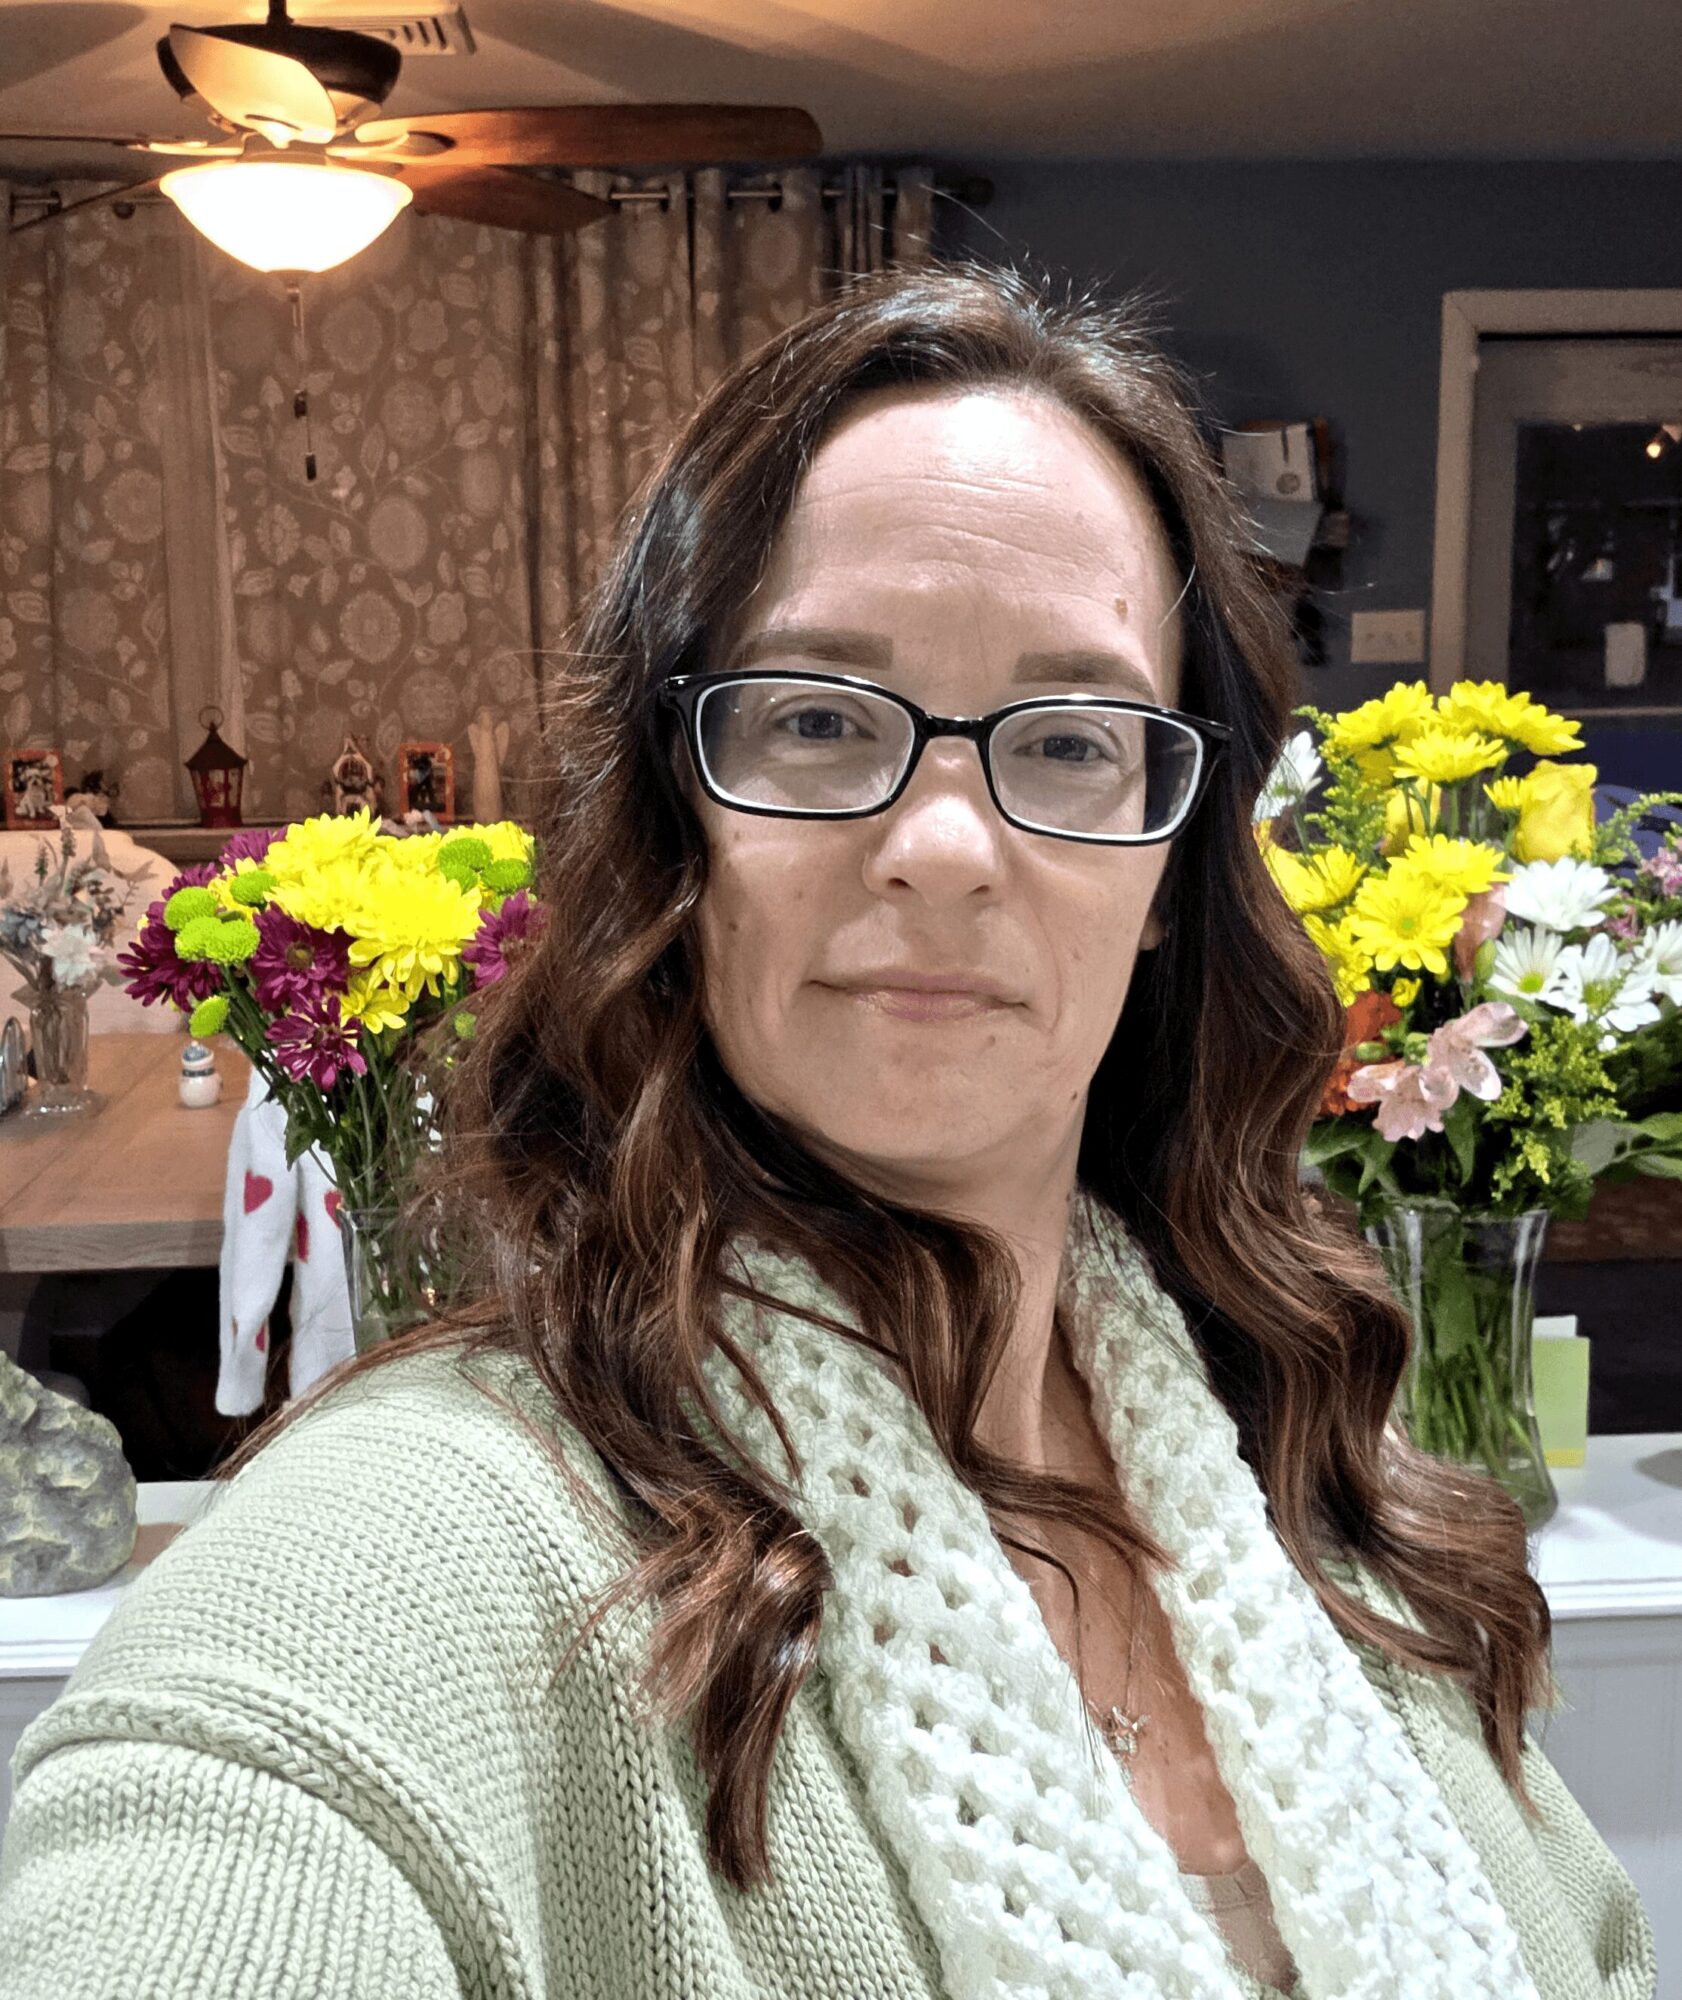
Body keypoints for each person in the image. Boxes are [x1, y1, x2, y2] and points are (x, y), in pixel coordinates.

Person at [0, 264, 1654, 2000]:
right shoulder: (408, 1556)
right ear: (672, 813)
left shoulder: (1316, 1470)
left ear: (1170, 866)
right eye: (814, 719)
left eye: (1069, 740)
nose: (940, 847)